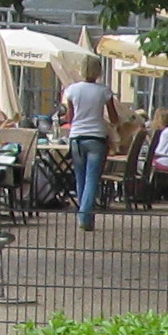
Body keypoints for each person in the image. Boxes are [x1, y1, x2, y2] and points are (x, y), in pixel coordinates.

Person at [63, 66, 111, 227]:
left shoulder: (71, 90)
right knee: (92, 178)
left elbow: (71, 118)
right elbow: (114, 117)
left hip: (76, 136)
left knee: (80, 178)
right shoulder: (104, 91)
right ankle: (85, 216)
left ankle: (85, 216)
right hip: (97, 137)